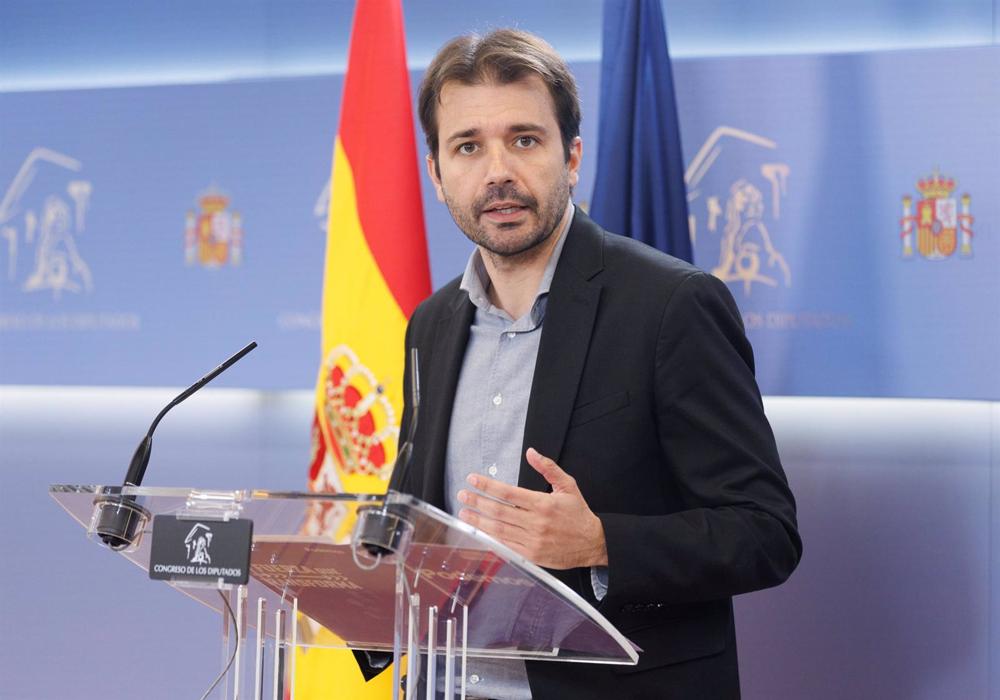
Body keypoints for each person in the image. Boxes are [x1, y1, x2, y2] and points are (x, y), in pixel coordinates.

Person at [383, 28, 801, 699]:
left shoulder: (670, 306)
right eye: (468, 146)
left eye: (524, 139)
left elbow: (765, 532)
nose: (498, 173)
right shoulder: (430, 324)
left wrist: (603, 541)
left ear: (572, 155)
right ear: (436, 174)